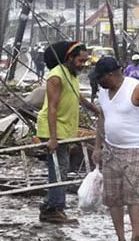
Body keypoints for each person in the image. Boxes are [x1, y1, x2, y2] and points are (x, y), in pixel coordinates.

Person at [90, 57, 139, 241]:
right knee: (112, 197)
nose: (99, 82)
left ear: (112, 74)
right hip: (112, 149)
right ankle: (121, 240)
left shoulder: (136, 88)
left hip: (136, 148)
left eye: (101, 78)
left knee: (130, 194)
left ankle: (135, 239)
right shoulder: (103, 93)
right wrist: (97, 146)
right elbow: (102, 118)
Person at [36, 41, 101, 224]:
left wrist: (98, 111)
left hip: (65, 129)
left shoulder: (72, 76)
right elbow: (52, 108)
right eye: (80, 60)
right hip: (53, 129)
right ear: (69, 58)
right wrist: (53, 138)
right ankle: (53, 209)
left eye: (85, 61)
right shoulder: (56, 77)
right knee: (58, 168)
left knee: (62, 168)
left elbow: (79, 98)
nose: (82, 64)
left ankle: (51, 205)